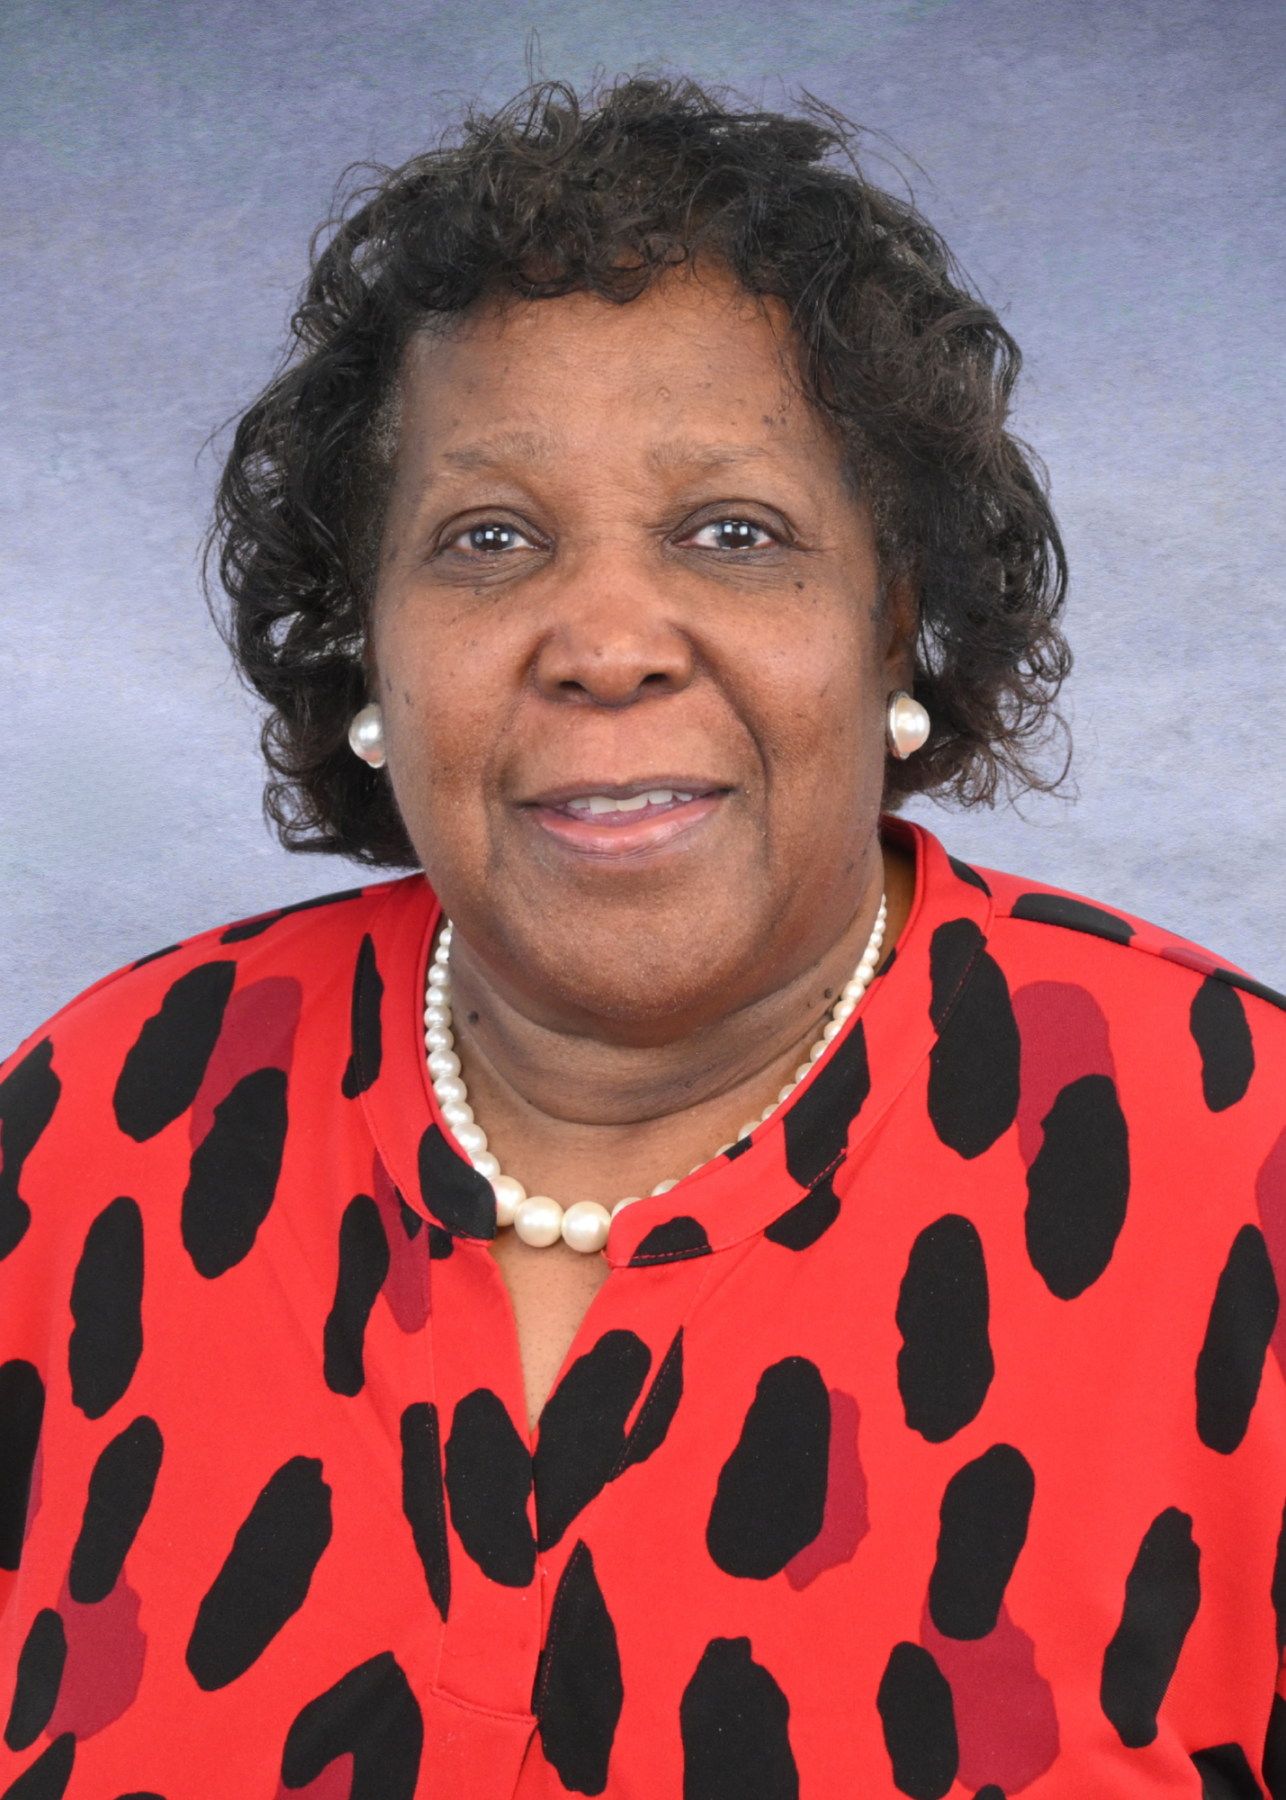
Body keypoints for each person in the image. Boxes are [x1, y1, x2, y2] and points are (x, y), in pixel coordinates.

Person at [1, 75, 1283, 1800]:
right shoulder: (91, 1129)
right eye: (488, 540)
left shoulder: (1240, 1164)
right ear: (366, 648)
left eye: (731, 533)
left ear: (894, 621)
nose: (604, 642)